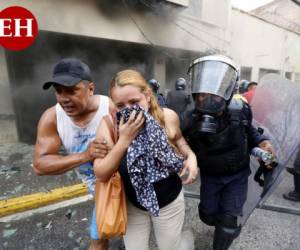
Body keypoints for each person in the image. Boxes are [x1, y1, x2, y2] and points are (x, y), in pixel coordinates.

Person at [93, 69, 198, 250]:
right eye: (120, 106)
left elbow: (180, 140)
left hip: (169, 202)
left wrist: (191, 156)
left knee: (170, 247)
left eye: (134, 102)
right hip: (133, 205)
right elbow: (101, 173)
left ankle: (186, 242)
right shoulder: (109, 124)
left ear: (148, 96)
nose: (129, 110)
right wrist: (124, 140)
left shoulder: (167, 117)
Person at [180, 55, 274, 250]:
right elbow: (177, 143)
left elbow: (251, 132)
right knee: (207, 215)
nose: (209, 97)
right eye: (203, 92)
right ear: (195, 90)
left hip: (237, 176)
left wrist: (263, 142)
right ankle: (219, 223)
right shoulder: (189, 118)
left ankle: (224, 233)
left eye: (215, 92)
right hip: (210, 177)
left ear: (227, 90)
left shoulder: (240, 110)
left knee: (229, 220)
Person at [33, 58, 114, 250]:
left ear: (91, 89)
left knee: (106, 238)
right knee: (101, 237)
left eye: (71, 91)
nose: (63, 98)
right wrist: (86, 155)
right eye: (58, 91)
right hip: (97, 189)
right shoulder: (52, 117)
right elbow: (39, 165)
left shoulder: (110, 108)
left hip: (122, 184)